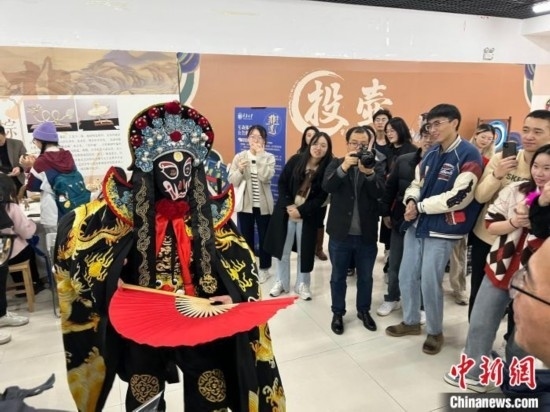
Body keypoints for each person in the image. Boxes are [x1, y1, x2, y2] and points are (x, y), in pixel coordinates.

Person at [54, 102, 286, 411]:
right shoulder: (125, 215)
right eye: (170, 172)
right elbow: (77, 244)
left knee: (211, 391)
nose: (180, 183)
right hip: (144, 319)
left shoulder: (209, 215)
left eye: (188, 172)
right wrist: (112, 276)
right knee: (144, 395)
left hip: (198, 316)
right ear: (151, 170)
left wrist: (234, 297)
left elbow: (241, 266)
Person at [444, 144, 550, 392]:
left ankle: (516, 381)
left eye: (547, 168)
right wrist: (514, 221)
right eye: (536, 166)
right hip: (501, 266)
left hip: (534, 281)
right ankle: (474, 372)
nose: (539, 173)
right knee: (481, 321)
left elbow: (540, 232)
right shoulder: (519, 190)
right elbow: (490, 224)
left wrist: (541, 207)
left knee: (522, 333)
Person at [385, 103, 483, 355]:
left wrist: (420, 207)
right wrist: (410, 201)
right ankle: (410, 321)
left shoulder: (468, 154)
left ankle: (435, 331)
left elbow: (460, 196)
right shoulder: (430, 154)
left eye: (438, 123)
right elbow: (416, 183)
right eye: (430, 125)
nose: (433, 129)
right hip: (416, 224)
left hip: (442, 229)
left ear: (454, 123)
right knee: (406, 274)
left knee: (430, 280)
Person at [468, 110, 550, 320]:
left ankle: (512, 337)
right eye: (526, 130)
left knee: (521, 304)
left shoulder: (544, 171)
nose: (529, 136)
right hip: (488, 236)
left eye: (537, 132)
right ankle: (476, 336)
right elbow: (480, 196)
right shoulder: (502, 158)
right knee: (480, 295)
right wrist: (497, 175)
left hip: (528, 245)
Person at [323, 126, 385, 335]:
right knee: (338, 276)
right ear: (347, 144)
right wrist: (343, 168)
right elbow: (327, 187)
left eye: (363, 144)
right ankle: (337, 313)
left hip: (366, 234)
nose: (359, 148)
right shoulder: (336, 163)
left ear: (369, 145)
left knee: (366, 277)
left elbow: (380, 192)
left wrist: (369, 174)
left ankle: (363, 311)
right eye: (354, 143)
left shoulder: (376, 165)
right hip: (340, 234)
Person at [265, 132, 332, 300]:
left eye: (323, 145)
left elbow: (322, 197)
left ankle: (303, 284)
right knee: (283, 249)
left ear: (328, 149)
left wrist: (301, 211)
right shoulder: (296, 160)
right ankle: (281, 281)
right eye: (315, 143)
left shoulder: (327, 168)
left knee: (305, 251)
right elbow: (282, 183)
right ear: (310, 144)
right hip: (286, 213)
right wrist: (290, 205)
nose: (318, 148)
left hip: (307, 216)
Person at [377, 123, 434, 318]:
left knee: (424, 267)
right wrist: (386, 213)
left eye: (433, 136)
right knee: (396, 262)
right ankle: (392, 297)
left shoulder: (444, 164)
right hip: (401, 220)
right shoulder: (404, 160)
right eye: (425, 135)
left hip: (428, 223)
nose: (429, 140)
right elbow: (389, 189)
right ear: (419, 137)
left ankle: (422, 305)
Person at [448, 124, 497, 307]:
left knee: (461, 251)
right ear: (476, 135)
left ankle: (459, 288)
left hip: (477, 209)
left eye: (489, 139)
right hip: (457, 206)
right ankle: (455, 286)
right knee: (455, 249)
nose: (485, 141)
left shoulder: (492, 160)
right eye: (483, 136)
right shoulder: (463, 153)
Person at [228, 125, 275, 283]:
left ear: (264, 140)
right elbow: (232, 181)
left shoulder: (269, 157)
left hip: (264, 206)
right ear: (247, 139)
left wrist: (260, 157)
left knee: (265, 237)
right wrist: (240, 170)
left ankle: (265, 269)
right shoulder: (240, 157)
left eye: (259, 137)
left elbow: (266, 177)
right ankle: (249, 266)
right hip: (245, 205)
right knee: (246, 237)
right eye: (252, 136)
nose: (255, 140)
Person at [20, 121, 79, 234]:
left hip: (53, 212)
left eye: (35, 140)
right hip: (72, 207)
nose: (35, 143)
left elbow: (32, 186)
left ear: (41, 141)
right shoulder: (67, 155)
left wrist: (29, 167)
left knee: (55, 243)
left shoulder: (41, 161)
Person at [0, 175, 33, 345]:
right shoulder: (10, 206)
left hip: (4, 246)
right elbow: (25, 231)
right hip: (6, 245)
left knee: (1, 278)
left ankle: (2, 313)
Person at [0, 174, 43, 296]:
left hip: (2, 253)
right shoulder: (11, 208)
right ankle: (33, 283)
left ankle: (19, 285)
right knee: (28, 249)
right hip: (9, 251)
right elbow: (25, 232)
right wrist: (32, 224)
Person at [297, 125, 328, 261]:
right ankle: (303, 247)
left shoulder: (326, 159)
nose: (311, 138)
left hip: (319, 199)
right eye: (308, 135)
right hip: (302, 198)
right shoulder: (298, 156)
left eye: (314, 136)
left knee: (319, 221)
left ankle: (318, 249)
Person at [0, 125, 27, 191]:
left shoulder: (17, 144)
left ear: (5, 135)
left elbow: (25, 159)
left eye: (0, 140)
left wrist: (20, 168)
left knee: (21, 197)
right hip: (1, 181)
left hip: (17, 179)